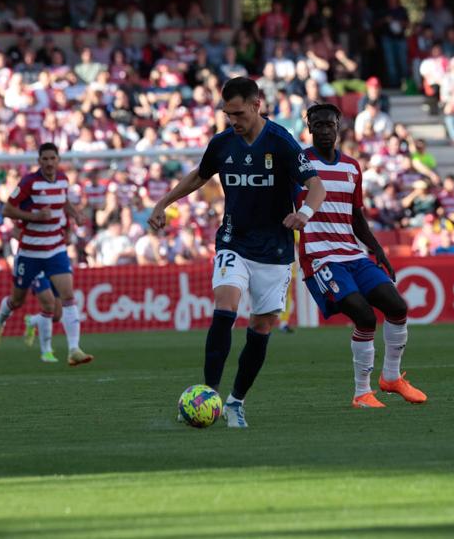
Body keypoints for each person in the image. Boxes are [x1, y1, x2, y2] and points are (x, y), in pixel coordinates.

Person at [148, 77, 326, 428]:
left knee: (261, 326)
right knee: (224, 306)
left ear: (257, 104)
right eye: (228, 114)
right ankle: (208, 395)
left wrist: (303, 214)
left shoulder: (281, 142)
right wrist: (164, 201)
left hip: (274, 250)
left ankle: (235, 402)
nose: (233, 120)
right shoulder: (223, 143)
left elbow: (316, 186)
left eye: (239, 113)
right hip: (234, 241)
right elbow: (200, 176)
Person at [299, 103, 427, 408]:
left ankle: (391, 378)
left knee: (397, 307)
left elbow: (355, 216)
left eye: (330, 124)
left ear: (339, 127)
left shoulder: (352, 167)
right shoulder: (299, 164)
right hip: (320, 257)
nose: (324, 130)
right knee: (365, 316)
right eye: (318, 125)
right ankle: (361, 393)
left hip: (353, 254)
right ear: (310, 128)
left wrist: (377, 249)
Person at [0, 143, 94, 366]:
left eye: (52, 158)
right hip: (30, 252)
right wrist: (34, 217)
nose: (48, 163)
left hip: (55, 248)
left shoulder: (63, 179)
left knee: (67, 296)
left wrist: (74, 214)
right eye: (44, 159)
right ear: (39, 161)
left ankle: (73, 349)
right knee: (17, 300)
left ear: (57, 160)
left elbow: (62, 200)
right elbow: (7, 210)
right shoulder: (29, 182)